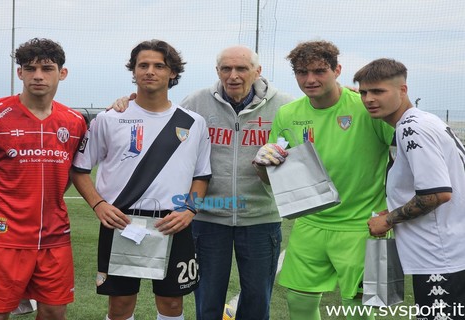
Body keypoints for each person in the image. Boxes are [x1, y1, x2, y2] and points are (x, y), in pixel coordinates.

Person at [112, 45, 294, 320]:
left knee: (257, 302)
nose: (233, 75)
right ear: (217, 71)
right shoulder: (195, 102)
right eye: (226, 69)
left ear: (257, 71)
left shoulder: (284, 105)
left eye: (241, 69)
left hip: (261, 218)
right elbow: (156, 120)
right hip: (207, 220)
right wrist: (126, 104)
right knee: (207, 300)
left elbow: (309, 127)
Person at [70, 39, 212, 320]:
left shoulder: (193, 122)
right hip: (121, 222)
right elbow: (80, 169)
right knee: (121, 303)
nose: (150, 71)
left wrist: (190, 209)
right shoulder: (110, 119)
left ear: (172, 73)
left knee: (171, 304)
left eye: (159, 65)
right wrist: (99, 205)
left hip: (172, 222)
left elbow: (202, 175)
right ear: (133, 71)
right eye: (143, 65)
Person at [254, 40, 394, 320]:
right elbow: (273, 179)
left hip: (364, 225)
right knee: (299, 304)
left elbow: (402, 159)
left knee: (363, 311)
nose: (310, 80)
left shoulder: (366, 108)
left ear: (337, 70)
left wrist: (393, 211)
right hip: (310, 224)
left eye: (319, 71)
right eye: (302, 72)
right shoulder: (288, 114)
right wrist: (262, 164)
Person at [0, 38, 86, 320]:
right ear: (20, 73)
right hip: (2, 236)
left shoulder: (75, 121)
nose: (38, 76)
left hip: (54, 236)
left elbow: (72, 172)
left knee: (53, 312)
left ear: (62, 73)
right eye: (30, 68)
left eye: (47, 68)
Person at [355, 58, 465, 320]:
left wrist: (389, 220)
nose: (369, 99)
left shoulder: (411, 128)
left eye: (378, 91)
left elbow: (436, 194)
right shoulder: (425, 121)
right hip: (450, 249)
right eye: (363, 92)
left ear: (402, 90)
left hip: (441, 255)